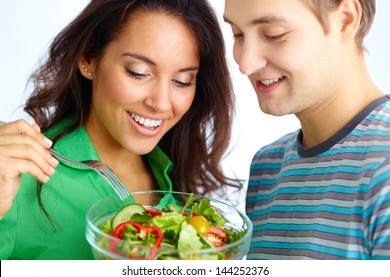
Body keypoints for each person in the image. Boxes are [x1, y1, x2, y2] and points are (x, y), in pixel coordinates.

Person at [0, 0, 240, 259]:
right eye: (138, 73)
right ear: (88, 59)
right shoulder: (16, 176)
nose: (160, 103)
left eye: (182, 81)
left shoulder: (183, 189)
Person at [224, 0, 390, 259]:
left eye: (274, 34)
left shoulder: (385, 168)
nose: (245, 64)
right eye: (238, 34)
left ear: (345, 19)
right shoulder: (267, 167)